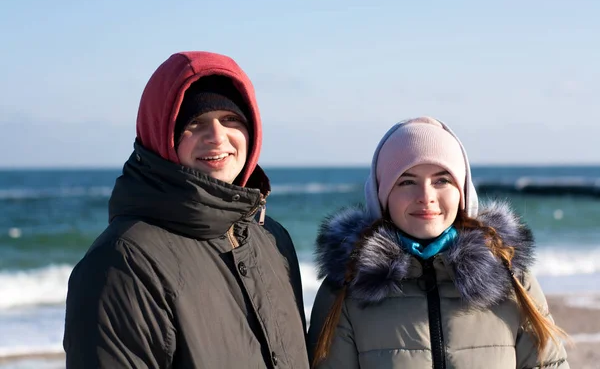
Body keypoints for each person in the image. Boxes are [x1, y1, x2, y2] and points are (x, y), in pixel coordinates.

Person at [63, 51, 309, 368]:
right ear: (162, 134)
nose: (218, 137)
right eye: (196, 122)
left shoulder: (273, 240)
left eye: (231, 119)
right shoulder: (121, 262)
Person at [307, 117, 569, 368]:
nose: (426, 196)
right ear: (382, 195)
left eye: (442, 180)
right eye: (407, 181)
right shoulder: (347, 286)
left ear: (462, 191)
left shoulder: (511, 277)